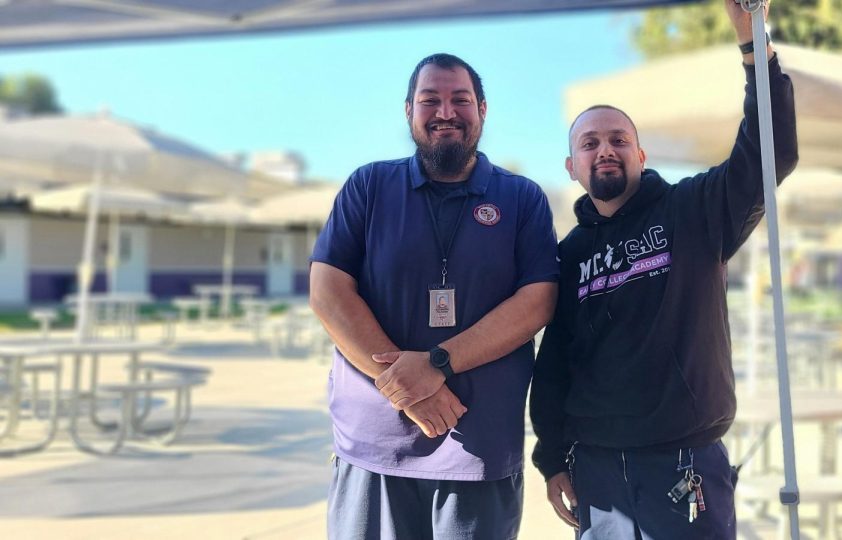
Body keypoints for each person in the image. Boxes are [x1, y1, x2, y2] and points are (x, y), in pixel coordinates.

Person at [529, 1, 798, 538]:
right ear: (572, 167)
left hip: (685, 465)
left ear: (641, 155)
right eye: (590, 143)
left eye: (618, 140)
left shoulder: (694, 210)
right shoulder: (568, 253)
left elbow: (771, 153)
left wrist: (754, 47)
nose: (605, 150)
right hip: (597, 471)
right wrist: (551, 456)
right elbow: (555, 361)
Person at [309, 52, 559, 540]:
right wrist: (405, 387)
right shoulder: (370, 186)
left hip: (477, 450)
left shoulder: (522, 198)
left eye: (460, 100)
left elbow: (537, 302)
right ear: (409, 112)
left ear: (482, 110)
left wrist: (437, 363)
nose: (446, 112)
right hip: (373, 447)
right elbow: (328, 290)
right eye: (431, 100)